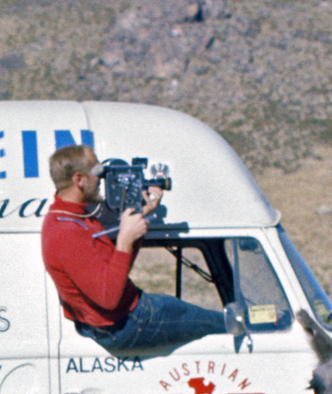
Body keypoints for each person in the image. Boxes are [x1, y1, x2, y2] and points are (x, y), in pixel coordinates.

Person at [41, 144, 245, 357]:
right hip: (124, 325)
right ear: (79, 180)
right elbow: (108, 299)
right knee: (221, 324)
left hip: (124, 316)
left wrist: (139, 221)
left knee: (185, 310)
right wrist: (124, 241)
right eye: (97, 172)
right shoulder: (67, 232)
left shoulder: (72, 219)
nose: (101, 180)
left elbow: (115, 273)